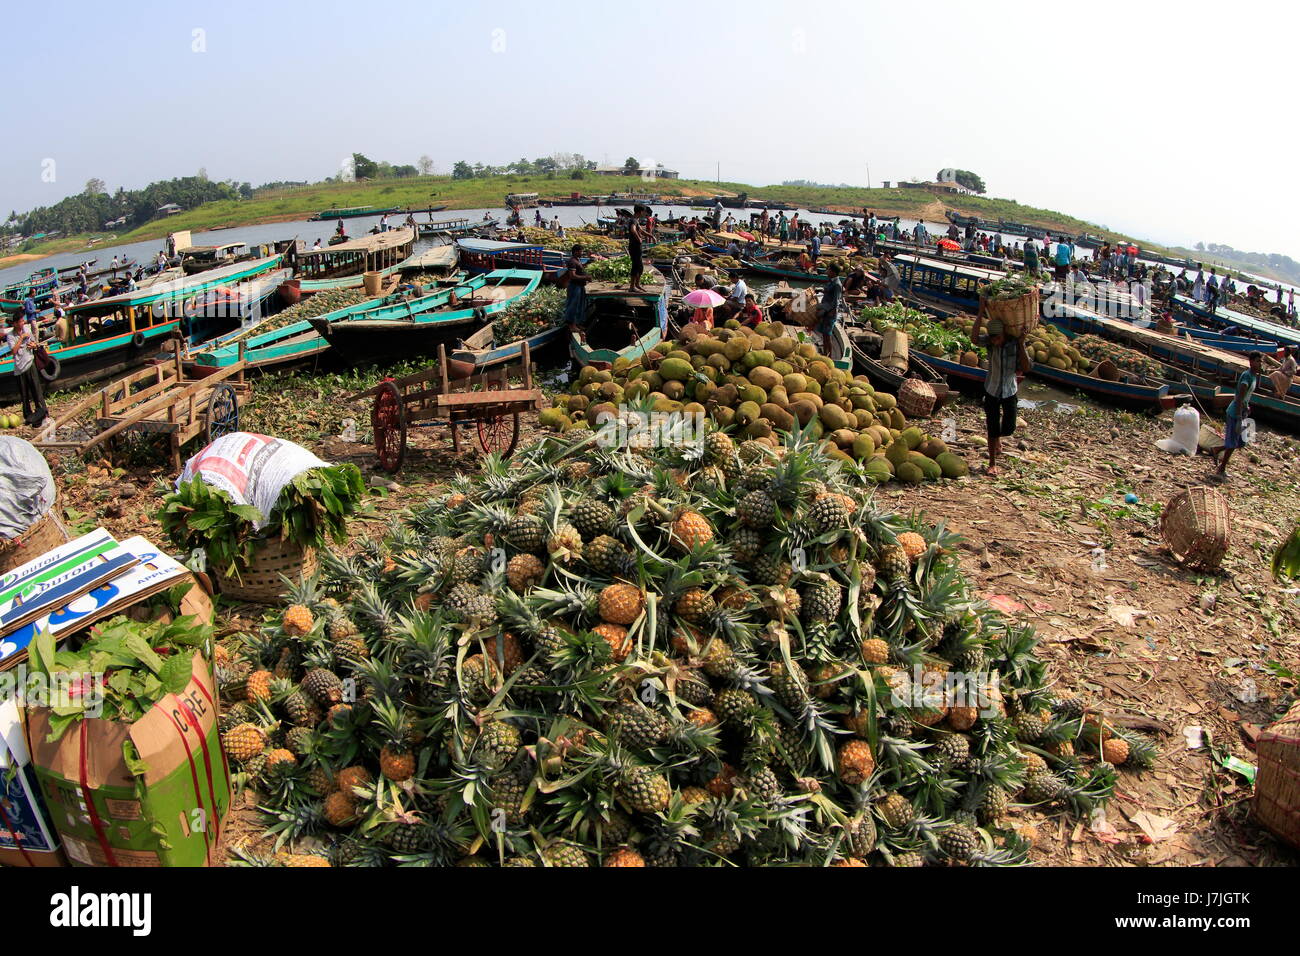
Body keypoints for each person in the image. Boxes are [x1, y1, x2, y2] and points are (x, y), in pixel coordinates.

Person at [969, 313, 1030, 476]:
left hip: (1010, 390)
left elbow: (1027, 367)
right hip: (991, 389)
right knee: (992, 426)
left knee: (1009, 428)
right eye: (993, 338)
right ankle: (992, 463)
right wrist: (980, 312)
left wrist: (1022, 344)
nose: (996, 341)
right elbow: (974, 339)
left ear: (1004, 335)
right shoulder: (989, 343)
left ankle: (997, 439)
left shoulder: (1014, 344)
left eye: (998, 338)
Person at [1211, 351, 1261, 478]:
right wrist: (1239, 416)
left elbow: (1245, 398)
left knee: (1241, 442)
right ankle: (1221, 469)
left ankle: (1217, 449)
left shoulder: (1254, 376)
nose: (1260, 364)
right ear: (1251, 362)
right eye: (1257, 361)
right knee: (1233, 443)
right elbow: (1239, 397)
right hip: (1235, 413)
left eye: (1260, 361)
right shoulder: (1247, 376)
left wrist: (1246, 407)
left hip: (1242, 412)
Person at [4, 316, 48, 426]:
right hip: (19, 368)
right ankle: (28, 416)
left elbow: (34, 343)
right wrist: (21, 338)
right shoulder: (10, 336)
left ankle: (43, 412)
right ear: (14, 323)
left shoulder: (27, 329)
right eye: (20, 321)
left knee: (36, 391)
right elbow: (13, 351)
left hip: (30, 362)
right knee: (24, 395)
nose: (22, 323)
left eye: (23, 321)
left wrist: (34, 345)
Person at [560, 244, 591, 331]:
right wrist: (586, 277)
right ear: (575, 252)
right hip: (575, 287)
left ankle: (577, 323)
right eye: (580, 251)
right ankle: (571, 325)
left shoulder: (578, 260)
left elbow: (580, 269)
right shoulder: (572, 262)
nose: (582, 253)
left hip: (580, 286)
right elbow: (572, 276)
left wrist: (587, 264)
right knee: (573, 306)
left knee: (579, 306)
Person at [816, 263, 844, 358]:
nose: (827, 272)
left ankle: (830, 356)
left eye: (829, 270)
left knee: (828, 335)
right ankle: (825, 353)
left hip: (830, 312)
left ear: (833, 272)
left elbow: (836, 301)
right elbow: (828, 291)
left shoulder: (837, 284)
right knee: (824, 334)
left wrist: (829, 310)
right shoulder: (831, 281)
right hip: (826, 310)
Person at [627, 213, 648, 294]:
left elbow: (641, 231)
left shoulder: (636, 220)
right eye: (643, 212)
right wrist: (638, 238)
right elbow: (633, 229)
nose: (643, 214)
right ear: (640, 211)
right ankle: (632, 287)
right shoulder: (633, 220)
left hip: (636, 247)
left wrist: (651, 236)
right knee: (636, 266)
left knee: (639, 267)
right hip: (634, 246)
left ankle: (636, 284)